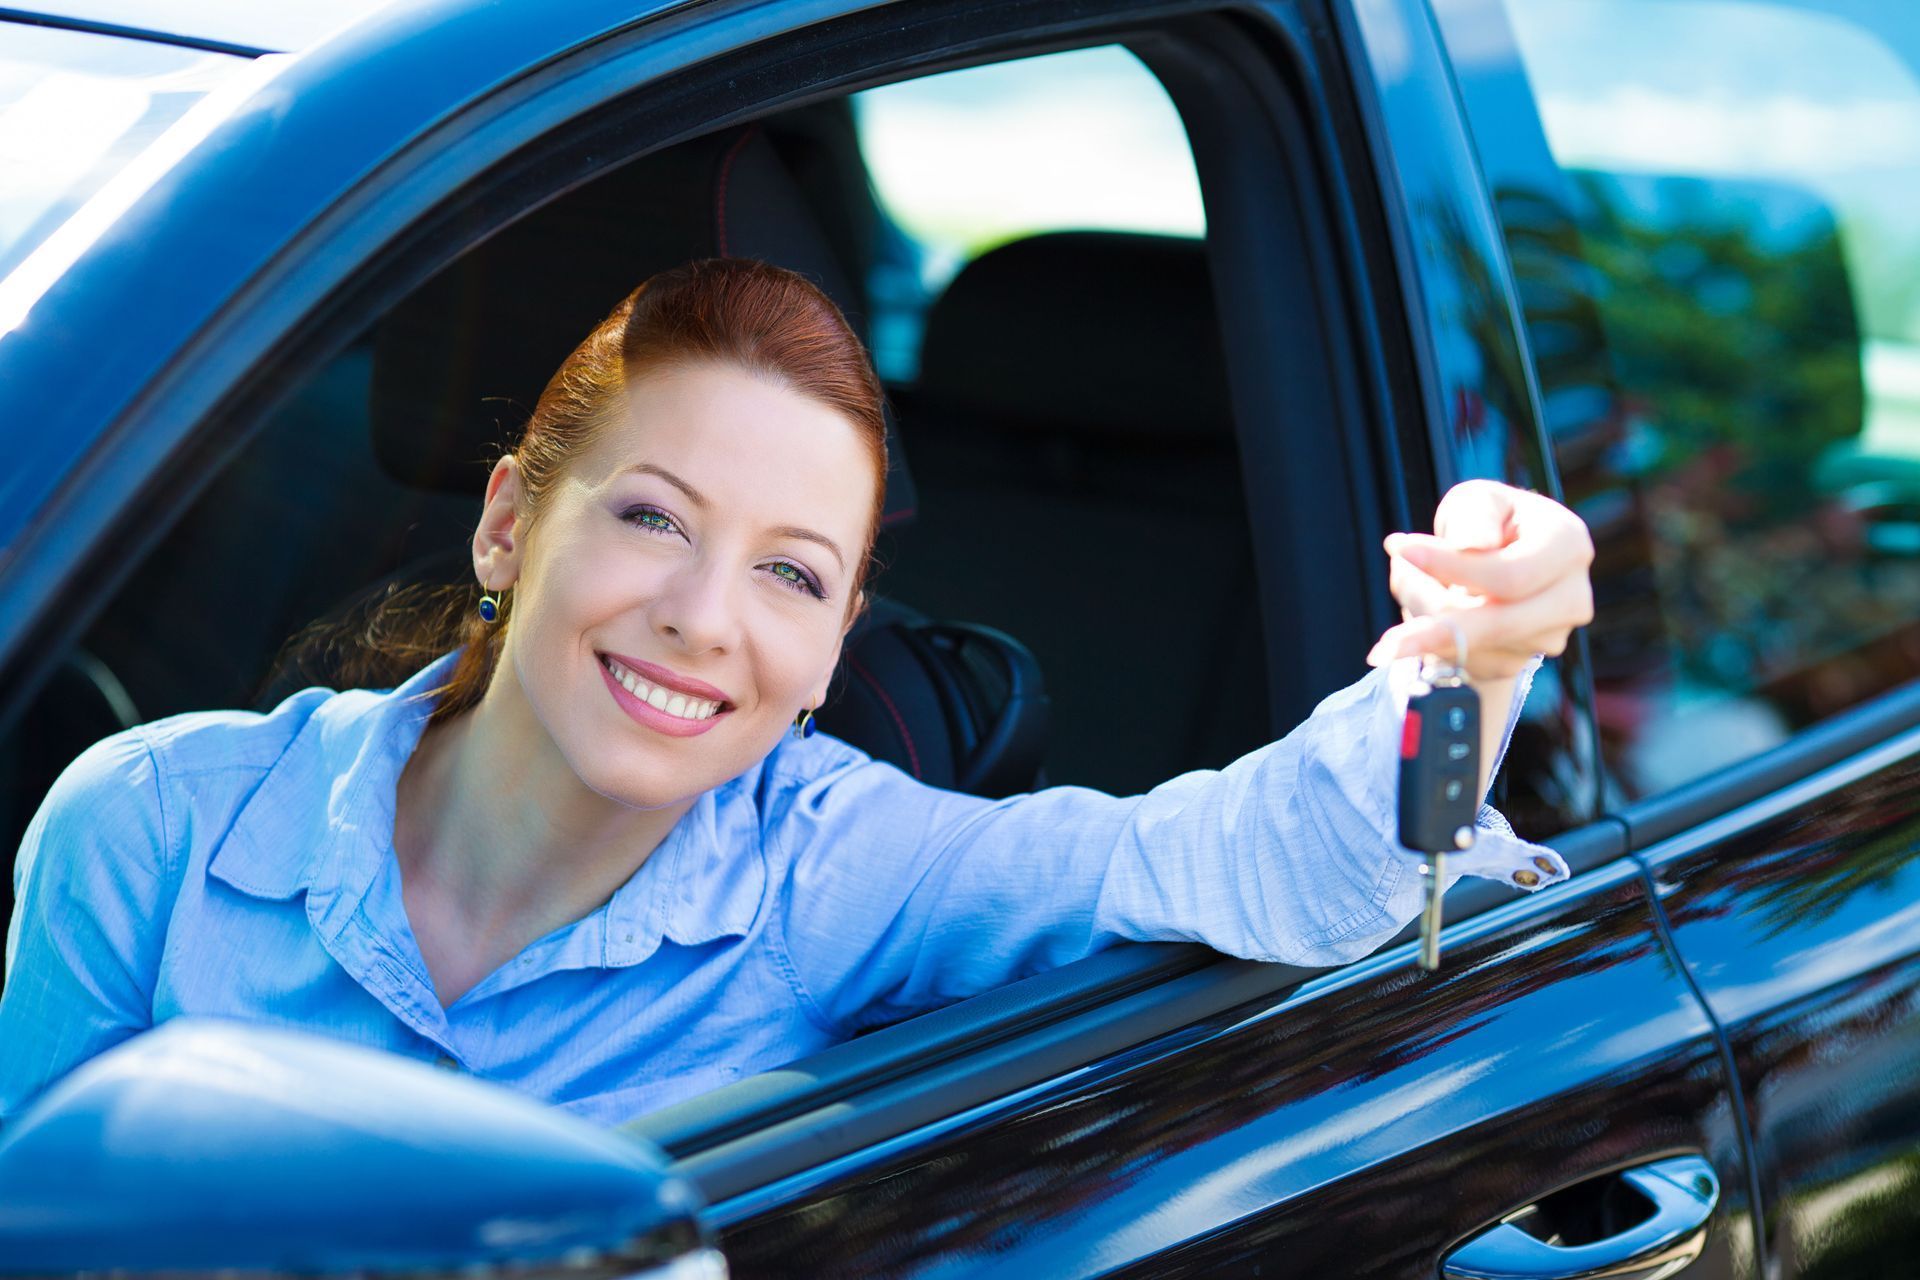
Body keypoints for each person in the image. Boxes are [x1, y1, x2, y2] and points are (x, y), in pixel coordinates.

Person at [0, 259, 1593, 1127]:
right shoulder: (153, 826)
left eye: (790, 574)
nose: (703, 619)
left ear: (835, 648)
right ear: (507, 522)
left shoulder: (836, 875)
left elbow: (1310, 862)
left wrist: (1478, 666)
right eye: (651, 519)